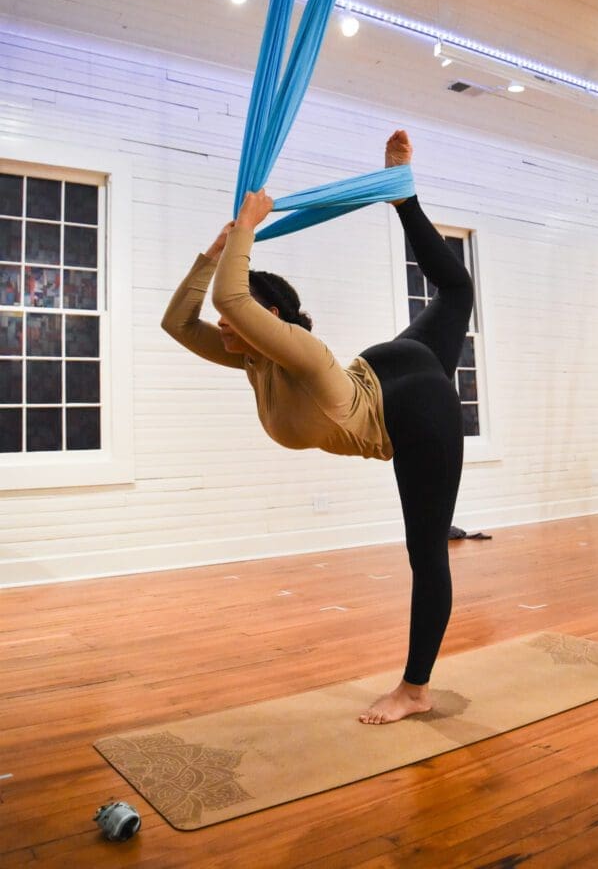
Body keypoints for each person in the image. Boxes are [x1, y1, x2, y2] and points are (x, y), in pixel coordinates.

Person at [161, 131, 473, 724]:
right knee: (458, 288)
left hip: (417, 408)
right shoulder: (252, 357)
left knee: (425, 550)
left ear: (268, 319)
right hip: (388, 365)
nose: (221, 328)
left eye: (234, 321)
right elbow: (178, 321)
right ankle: (402, 193)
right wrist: (213, 250)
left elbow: (230, 295)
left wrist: (250, 225)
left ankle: (415, 689)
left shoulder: (297, 348)